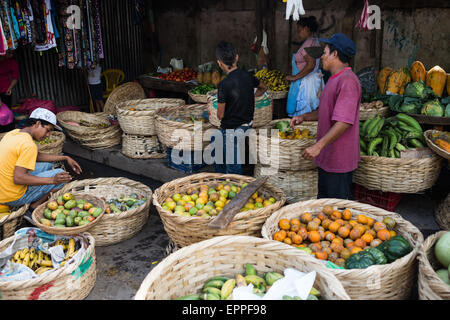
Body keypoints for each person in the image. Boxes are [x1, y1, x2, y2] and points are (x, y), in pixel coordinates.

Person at [290, 33, 361, 200]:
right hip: (328, 158)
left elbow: (343, 121)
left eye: (325, 52)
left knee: (337, 212)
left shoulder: (348, 82)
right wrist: (304, 117)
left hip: (339, 159)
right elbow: (328, 111)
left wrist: (318, 146)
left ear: (335, 54)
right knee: (325, 208)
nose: (322, 56)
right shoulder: (334, 79)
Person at [0, 108, 82, 224]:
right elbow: (18, 178)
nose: (48, 135)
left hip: (2, 189)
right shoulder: (28, 145)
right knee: (60, 175)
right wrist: (53, 180)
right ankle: (32, 208)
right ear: (38, 123)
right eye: (47, 130)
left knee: (46, 165)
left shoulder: (13, 134)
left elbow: (36, 156)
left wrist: (65, 157)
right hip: (12, 196)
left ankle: (35, 199)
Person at [214, 41, 267, 174]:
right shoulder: (248, 76)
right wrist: (252, 97)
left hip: (231, 129)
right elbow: (263, 87)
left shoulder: (223, 84)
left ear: (219, 63)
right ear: (236, 57)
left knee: (233, 166)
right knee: (217, 141)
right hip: (247, 124)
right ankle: (220, 177)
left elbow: (220, 115)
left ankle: (234, 187)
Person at [285, 16, 323, 118]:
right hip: (313, 80)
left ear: (306, 29)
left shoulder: (309, 44)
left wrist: (295, 77)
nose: (298, 34)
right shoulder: (314, 41)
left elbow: (311, 65)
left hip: (307, 84)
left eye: (299, 30)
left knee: (303, 114)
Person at [0, 50, 19, 133]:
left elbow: (15, 77)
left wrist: (9, 88)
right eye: (9, 53)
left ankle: (9, 130)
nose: (11, 55)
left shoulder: (12, 62)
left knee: (7, 111)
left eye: (12, 53)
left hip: (5, 90)